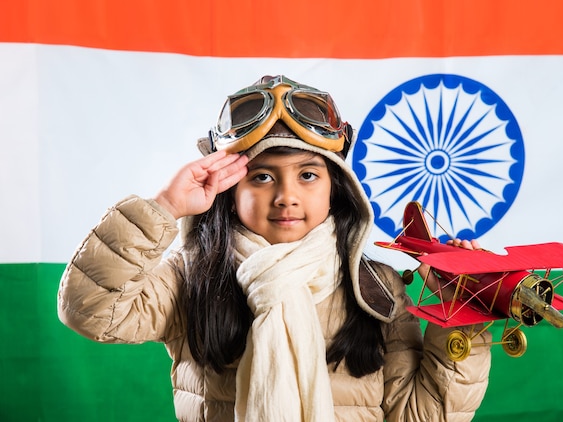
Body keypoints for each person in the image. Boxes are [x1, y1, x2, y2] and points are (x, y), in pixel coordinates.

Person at [58, 75, 491, 422]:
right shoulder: (191, 276)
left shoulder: (375, 286)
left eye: (307, 175)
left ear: (336, 188)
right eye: (262, 177)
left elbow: (422, 416)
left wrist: (460, 316)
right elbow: (90, 310)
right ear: (229, 190)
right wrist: (166, 207)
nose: (286, 196)